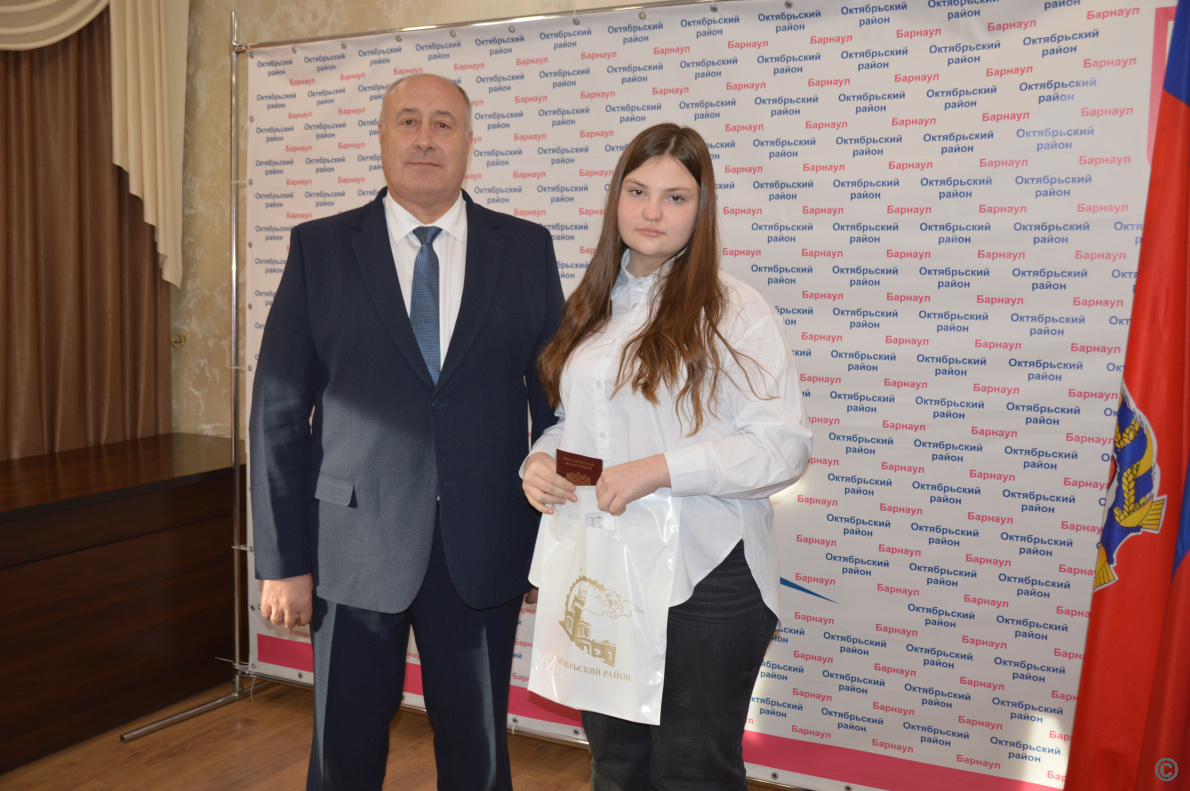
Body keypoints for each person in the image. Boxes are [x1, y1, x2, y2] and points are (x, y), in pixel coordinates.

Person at [249, 73, 564, 791]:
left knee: (479, 758)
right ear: (383, 137)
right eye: (409, 121)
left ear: (469, 142)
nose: (426, 138)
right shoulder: (320, 248)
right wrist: (283, 559)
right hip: (351, 548)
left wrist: (556, 546)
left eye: (444, 123)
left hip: (483, 547)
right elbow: (277, 412)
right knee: (343, 757)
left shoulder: (524, 248)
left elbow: (557, 403)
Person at [522, 123, 813, 790]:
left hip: (707, 579)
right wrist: (540, 463)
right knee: (616, 765)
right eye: (638, 191)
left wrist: (657, 469)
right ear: (615, 199)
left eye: (676, 197)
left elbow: (781, 447)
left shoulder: (734, 310)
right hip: (604, 572)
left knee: (693, 773)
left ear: (701, 210)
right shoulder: (591, 305)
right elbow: (580, 431)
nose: (652, 211)